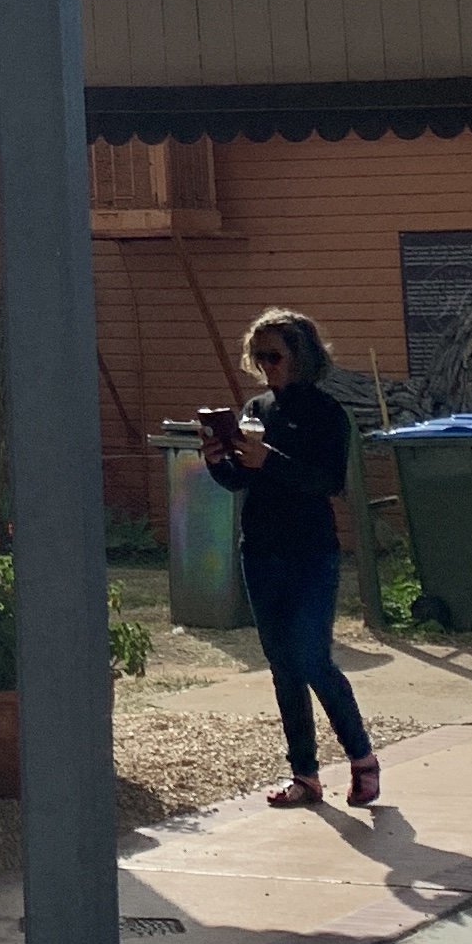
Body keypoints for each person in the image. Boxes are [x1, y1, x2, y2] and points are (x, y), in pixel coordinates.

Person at [199, 308, 380, 810]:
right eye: (258, 357)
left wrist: (270, 460)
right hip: (260, 550)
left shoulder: (326, 413)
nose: (266, 367)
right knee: (283, 665)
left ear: (302, 356)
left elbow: (328, 481)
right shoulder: (255, 409)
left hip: (311, 552)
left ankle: (362, 757)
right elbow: (241, 480)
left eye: (274, 356)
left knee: (311, 657)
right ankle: (305, 774)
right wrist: (218, 461)